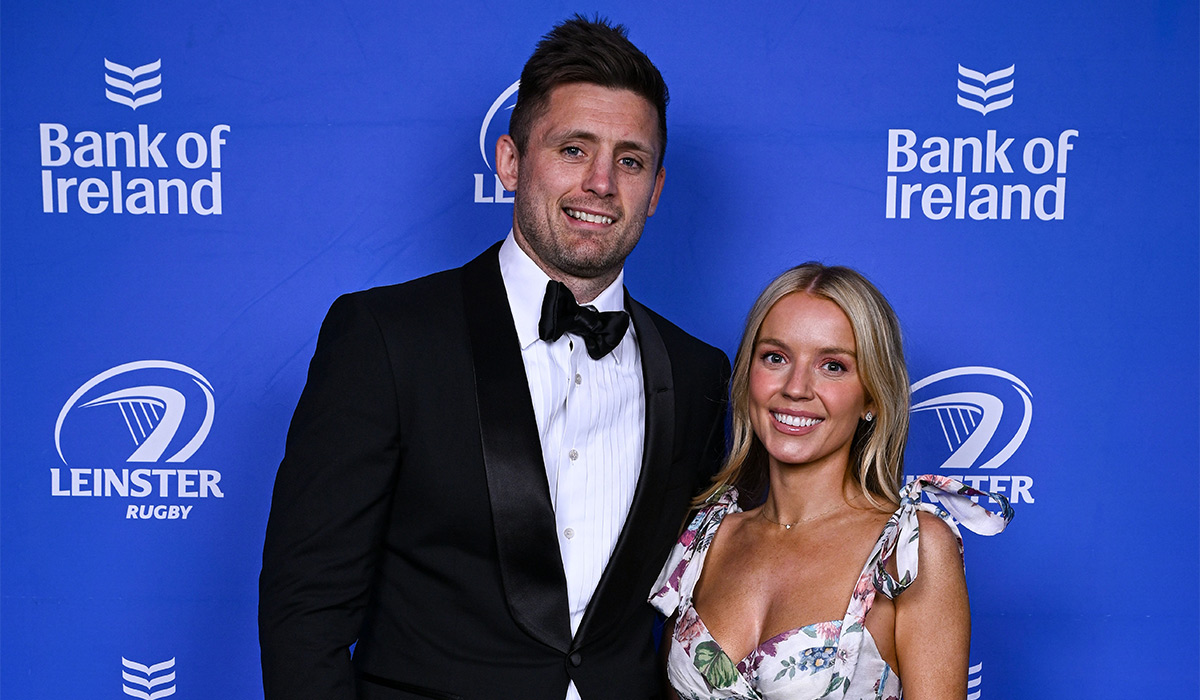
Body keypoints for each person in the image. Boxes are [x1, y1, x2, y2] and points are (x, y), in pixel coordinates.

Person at [258, 15, 730, 700]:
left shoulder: (697, 373)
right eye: (573, 149)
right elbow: (306, 610)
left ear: (655, 190)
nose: (601, 182)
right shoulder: (388, 338)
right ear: (511, 161)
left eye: (629, 160)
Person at [649, 263, 1013, 699]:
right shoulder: (703, 540)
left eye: (833, 366)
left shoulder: (909, 550)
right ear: (748, 378)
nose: (797, 387)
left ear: (872, 398)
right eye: (775, 358)